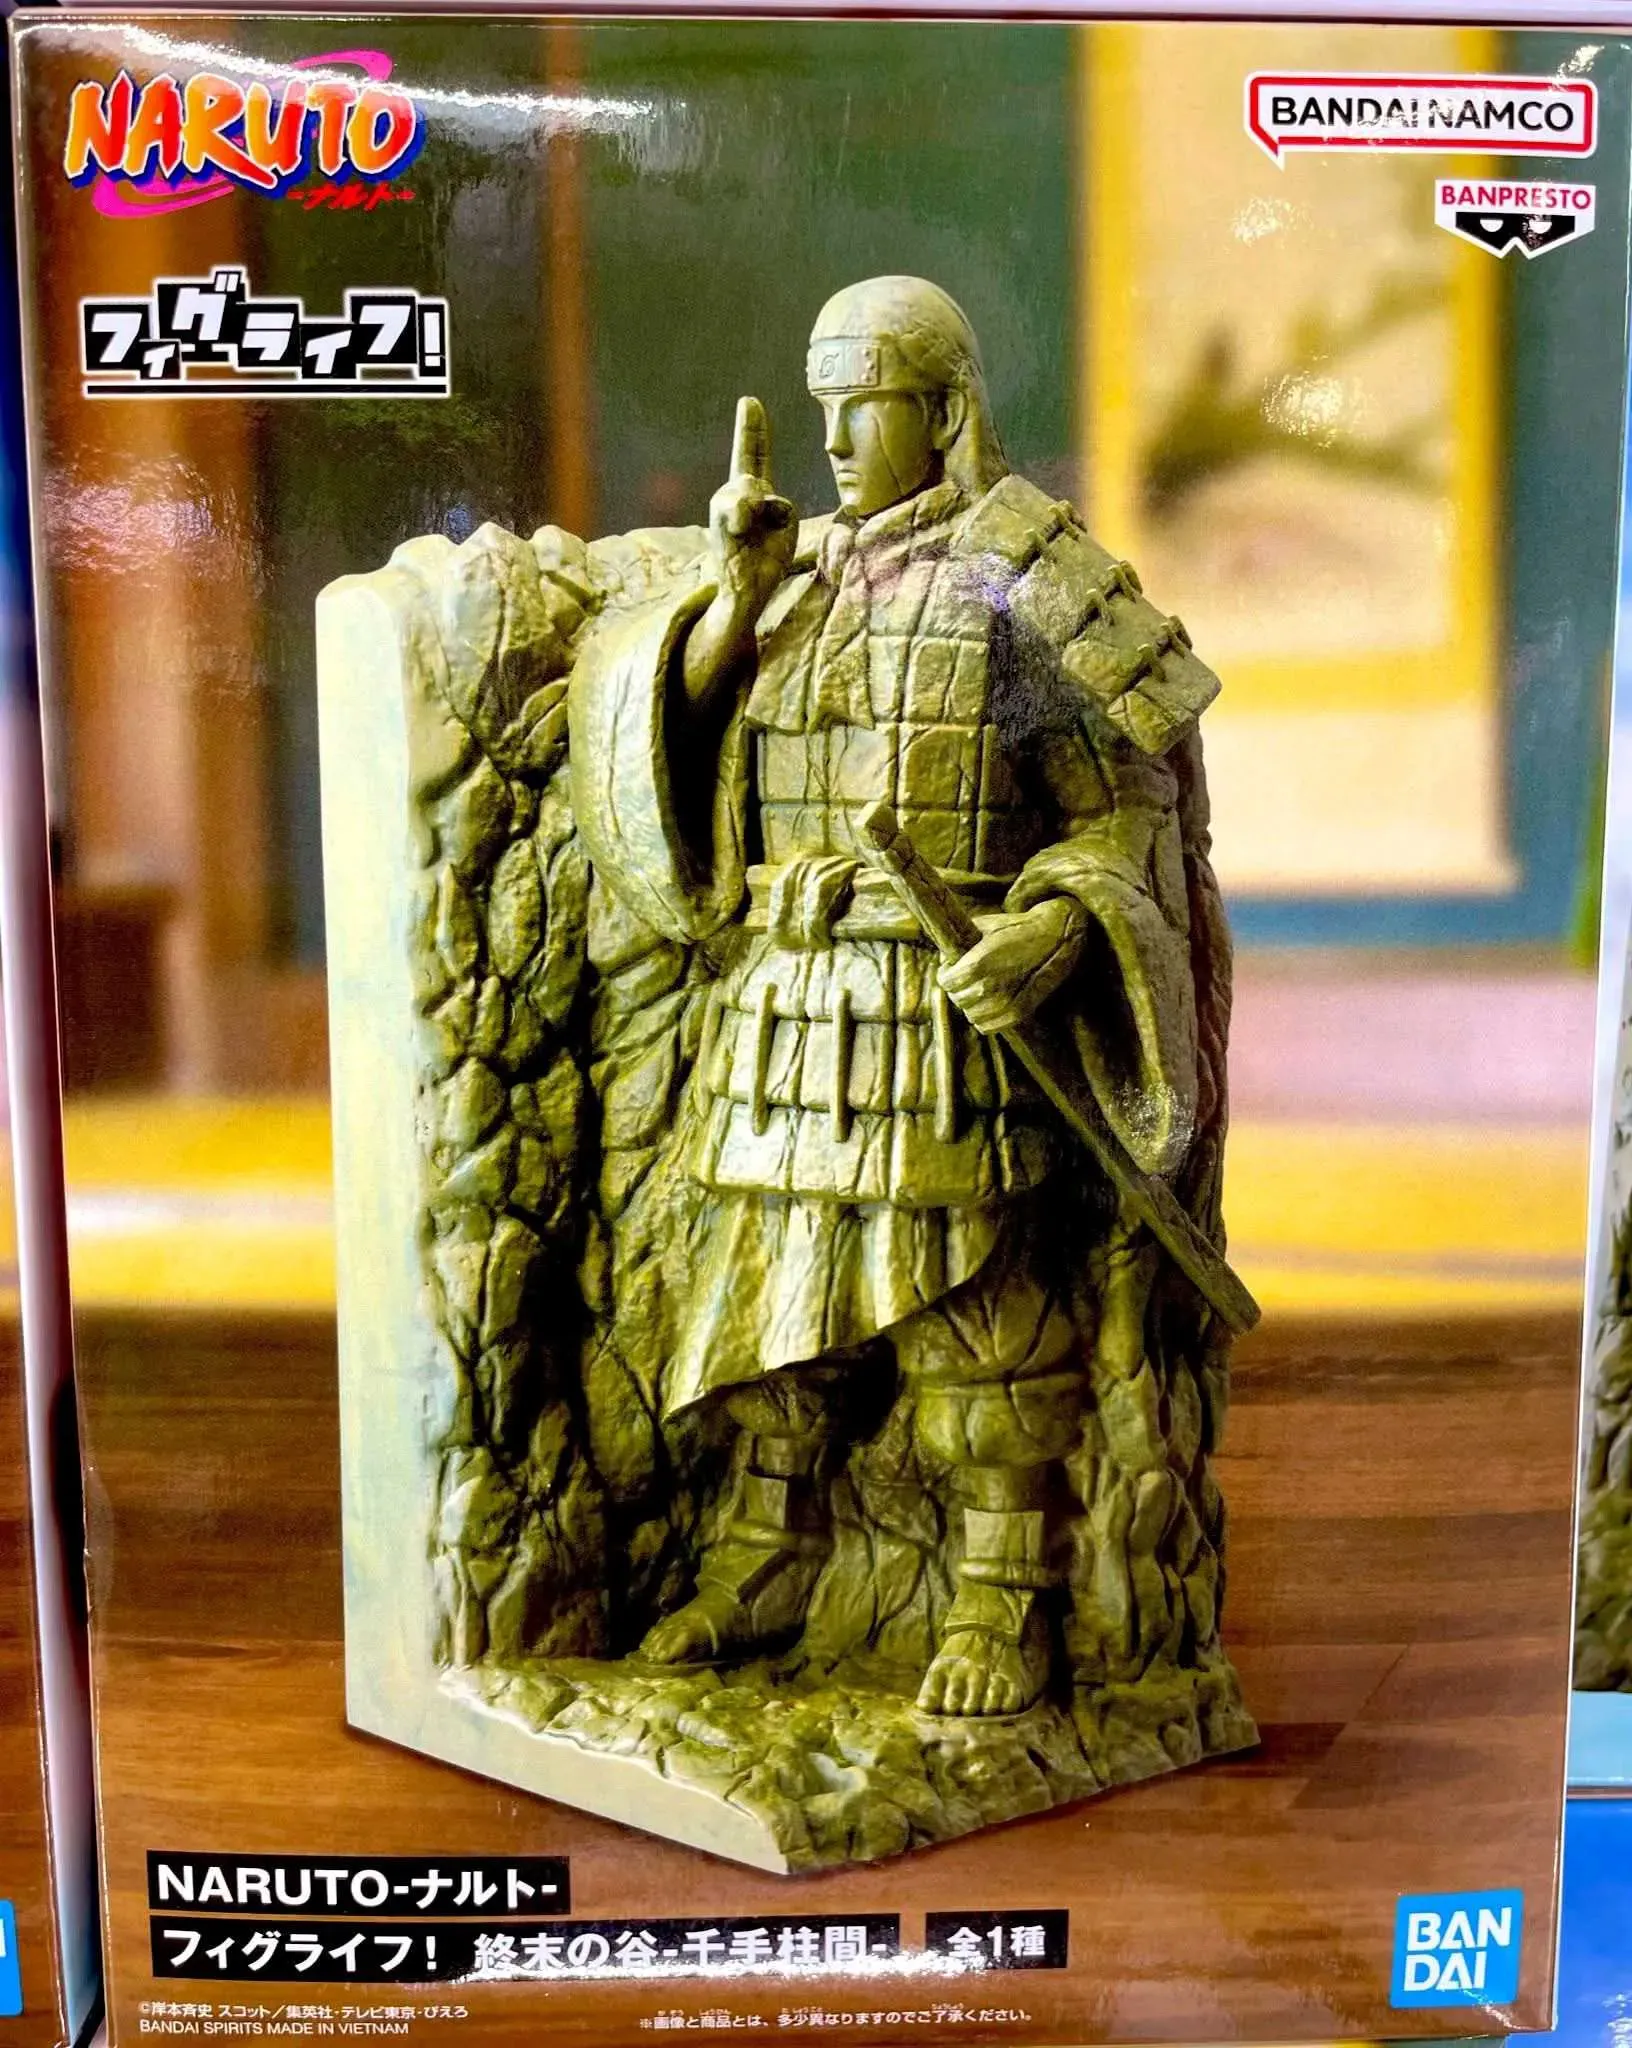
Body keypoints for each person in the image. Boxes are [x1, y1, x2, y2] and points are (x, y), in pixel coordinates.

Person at [569, 275, 1230, 1717]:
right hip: (785, 1008)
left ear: (945, 409)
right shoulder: (783, 581)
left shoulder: (1028, 578)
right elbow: (667, 755)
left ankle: (1002, 1590)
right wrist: (732, 605)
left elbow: (1127, 810)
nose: (835, 440)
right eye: (825, 407)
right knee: (766, 1290)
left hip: (942, 1006)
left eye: (863, 404)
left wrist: (1055, 926)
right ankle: (766, 1551)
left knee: (975, 1311)